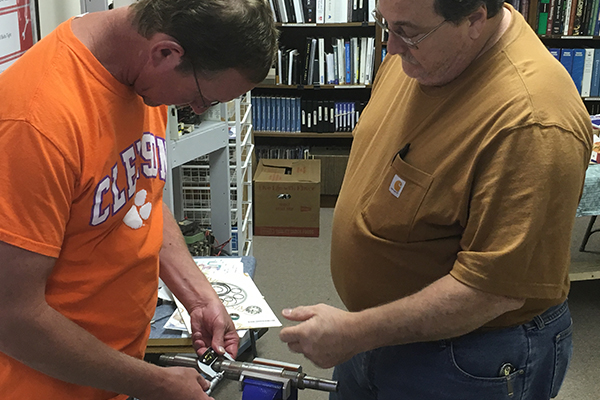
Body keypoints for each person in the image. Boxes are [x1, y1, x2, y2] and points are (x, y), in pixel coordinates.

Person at [279, 1, 592, 399]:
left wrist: (356, 332)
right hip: (375, 332)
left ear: (475, 20)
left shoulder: (532, 121)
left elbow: (491, 290)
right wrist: (361, 331)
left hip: (471, 357)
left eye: (407, 32)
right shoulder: (424, 54)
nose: (390, 47)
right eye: (385, 25)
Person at [0, 0, 277, 399]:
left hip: (109, 372)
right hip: (42, 386)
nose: (197, 109)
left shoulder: (140, 80)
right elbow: (13, 317)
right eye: (204, 97)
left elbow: (139, 196)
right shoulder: (35, 123)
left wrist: (196, 296)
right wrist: (156, 382)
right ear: (166, 52)